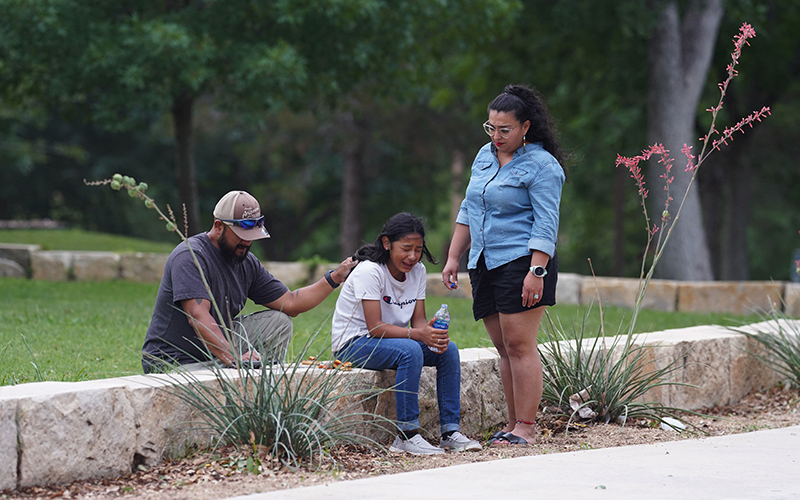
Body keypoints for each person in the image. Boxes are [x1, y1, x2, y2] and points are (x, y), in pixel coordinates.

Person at [441, 84, 567, 445]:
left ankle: (526, 427)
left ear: (525, 127)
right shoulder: (485, 156)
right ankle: (512, 424)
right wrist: (453, 256)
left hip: (522, 263)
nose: (496, 136)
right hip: (484, 261)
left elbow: (546, 223)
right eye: (491, 128)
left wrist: (536, 271)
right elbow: (469, 208)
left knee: (519, 345)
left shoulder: (543, 166)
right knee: (502, 347)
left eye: (505, 130)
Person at [142, 190, 355, 373]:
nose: (247, 241)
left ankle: (259, 392)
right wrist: (235, 358)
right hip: (174, 361)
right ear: (218, 226)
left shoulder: (244, 260)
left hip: (215, 352)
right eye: (240, 234)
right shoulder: (190, 256)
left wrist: (335, 277)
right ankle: (235, 375)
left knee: (279, 322)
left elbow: (290, 303)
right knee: (227, 364)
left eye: (252, 234)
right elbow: (198, 317)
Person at [332, 212, 481, 455]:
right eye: (406, 248)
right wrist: (418, 335)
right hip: (353, 344)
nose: (412, 256)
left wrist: (430, 332)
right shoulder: (370, 271)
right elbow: (375, 328)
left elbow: (418, 321)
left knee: (448, 350)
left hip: (394, 341)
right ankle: (407, 435)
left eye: (418, 249)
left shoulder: (418, 271)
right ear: (387, 243)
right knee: (411, 350)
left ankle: (450, 433)